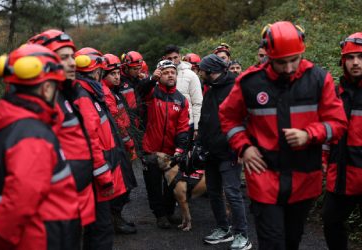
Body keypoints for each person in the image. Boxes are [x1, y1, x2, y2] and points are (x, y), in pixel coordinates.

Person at [219, 21, 348, 250]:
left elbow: (338, 123)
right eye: (281, 62)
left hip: (304, 179)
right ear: (268, 55)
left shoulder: (319, 79)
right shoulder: (250, 82)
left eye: (293, 60)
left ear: (302, 52)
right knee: (272, 243)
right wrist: (244, 147)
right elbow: (228, 117)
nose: (288, 68)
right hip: (264, 177)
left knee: (292, 240)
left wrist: (309, 135)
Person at [0, 44, 81, 249]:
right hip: (40, 238)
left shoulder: (5, 121)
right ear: (47, 88)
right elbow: (20, 201)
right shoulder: (32, 134)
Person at [28, 29, 95, 227]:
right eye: (64, 57)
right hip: (56, 211)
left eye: (72, 57)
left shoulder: (63, 94)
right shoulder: (42, 103)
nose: (73, 63)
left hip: (73, 202)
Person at [72, 47, 136, 249]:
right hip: (99, 172)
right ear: (97, 71)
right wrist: (104, 175)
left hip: (106, 165)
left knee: (100, 227)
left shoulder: (92, 93)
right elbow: (92, 139)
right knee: (100, 230)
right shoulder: (85, 96)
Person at [196, 54, 251, 250]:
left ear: (211, 72)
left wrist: (238, 146)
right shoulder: (211, 90)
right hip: (211, 152)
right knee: (213, 192)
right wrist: (200, 143)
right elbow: (205, 118)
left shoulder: (235, 89)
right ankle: (223, 228)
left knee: (232, 192)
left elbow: (243, 120)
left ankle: (242, 234)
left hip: (229, 152)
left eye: (202, 70)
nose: (200, 72)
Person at [322, 32, 362, 250]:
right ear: (343, 60)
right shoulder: (336, 95)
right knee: (331, 221)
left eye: (360, 57)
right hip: (342, 176)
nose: (355, 62)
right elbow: (327, 133)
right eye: (350, 57)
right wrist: (323, 159)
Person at [141, 60, 189, 229]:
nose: (170, 75)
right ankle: (160, 215)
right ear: (160, 74)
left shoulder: (181, 100)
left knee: (170, 185)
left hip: (170, 152)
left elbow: (183, 127)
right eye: (166, 72)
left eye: (173, 72)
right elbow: (140, 90)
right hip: (151, 149)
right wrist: (151, 79)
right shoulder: (152, 92)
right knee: (153, 186)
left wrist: (180, 148)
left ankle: (169, 212)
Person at [102, 53, 138, 234]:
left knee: (126, 183)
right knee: (122, 184)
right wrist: (129, 142)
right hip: (116, 144)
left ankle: (116, 218)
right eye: (112, 74)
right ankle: (114, 220)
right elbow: (116, 121)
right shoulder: (105, 94)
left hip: (120, 142)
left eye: (117, 73)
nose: (117, 77)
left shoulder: (112, 91)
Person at [163, 45, 202, 141]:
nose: (173, 61)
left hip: (187, 124)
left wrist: (197, 127)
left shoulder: (191, 75)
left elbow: (197, 102)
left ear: (180, 57)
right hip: (167, 124)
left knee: (184, 154)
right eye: (169, 58)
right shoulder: (161, 75)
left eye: (175, 57)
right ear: (164, 59)